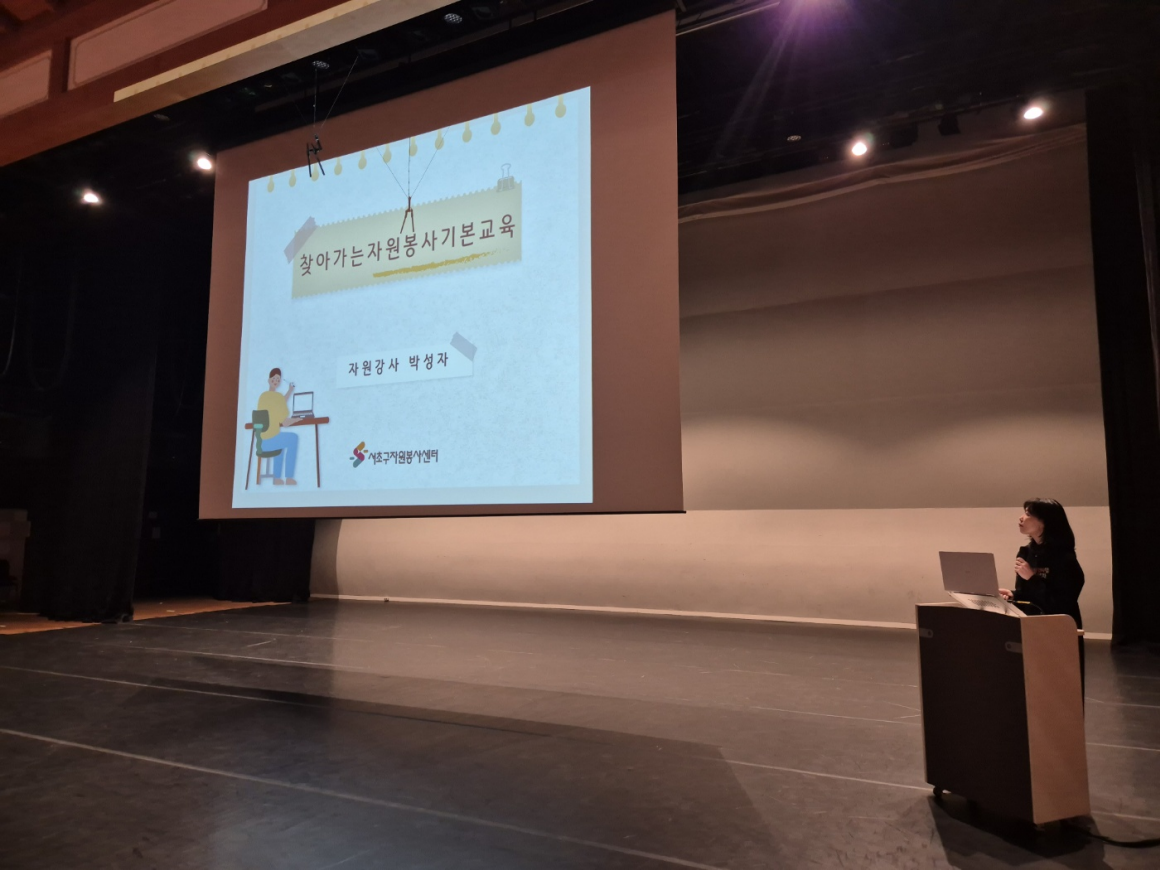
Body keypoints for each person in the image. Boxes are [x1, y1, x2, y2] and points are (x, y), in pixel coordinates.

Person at [999, 498, 1085, 691]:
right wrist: (1013, 595)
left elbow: (1061, 603)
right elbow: (1029, 595)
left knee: (1059, 687)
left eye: (1028, 514)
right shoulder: (1026, 552)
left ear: (1045, 522)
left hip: (1057, 631)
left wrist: (1032, 578)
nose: (1021, 518)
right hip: (1030, 628)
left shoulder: (1064, 558)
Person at [256, 367, 299, 485]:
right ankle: (289, 478)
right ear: (269, 380)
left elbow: (279, 402)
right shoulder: (278, 397)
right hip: (270, 441)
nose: (276, 381)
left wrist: (290, 391)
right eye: (274, 379)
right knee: (293, 438)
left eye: (278, 380)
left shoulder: (263, 396)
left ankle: (276, 478)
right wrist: (296, 419)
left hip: (261, 442)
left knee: (280, 438)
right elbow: (285, 423)